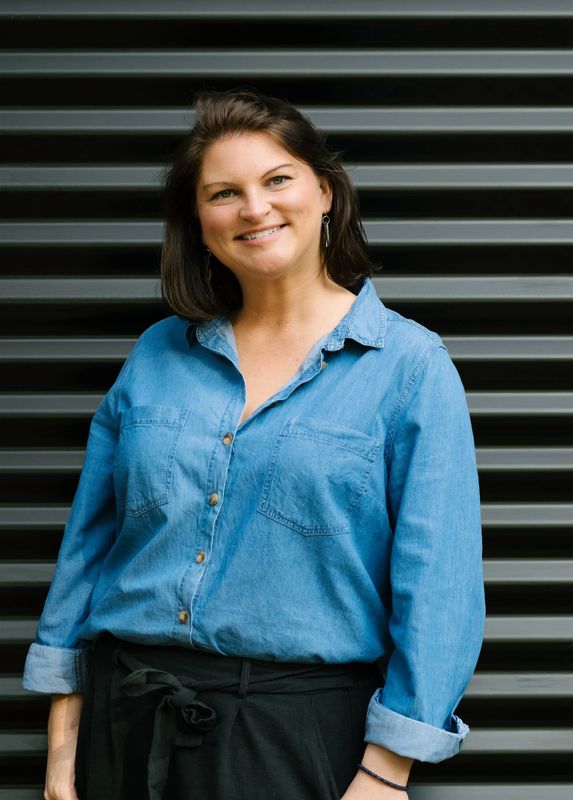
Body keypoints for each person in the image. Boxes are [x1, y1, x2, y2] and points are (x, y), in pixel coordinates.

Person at [23, 88, 486, 800]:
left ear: (325, 192)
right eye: (223, 192)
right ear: (199, 222)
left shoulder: (409, 368)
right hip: (124, 726)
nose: (255, 208)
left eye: (277, 180)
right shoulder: (156, 356)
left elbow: (439, 589)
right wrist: (62, 753)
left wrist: (384, 773)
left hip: (295, 738)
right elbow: (88, 549)